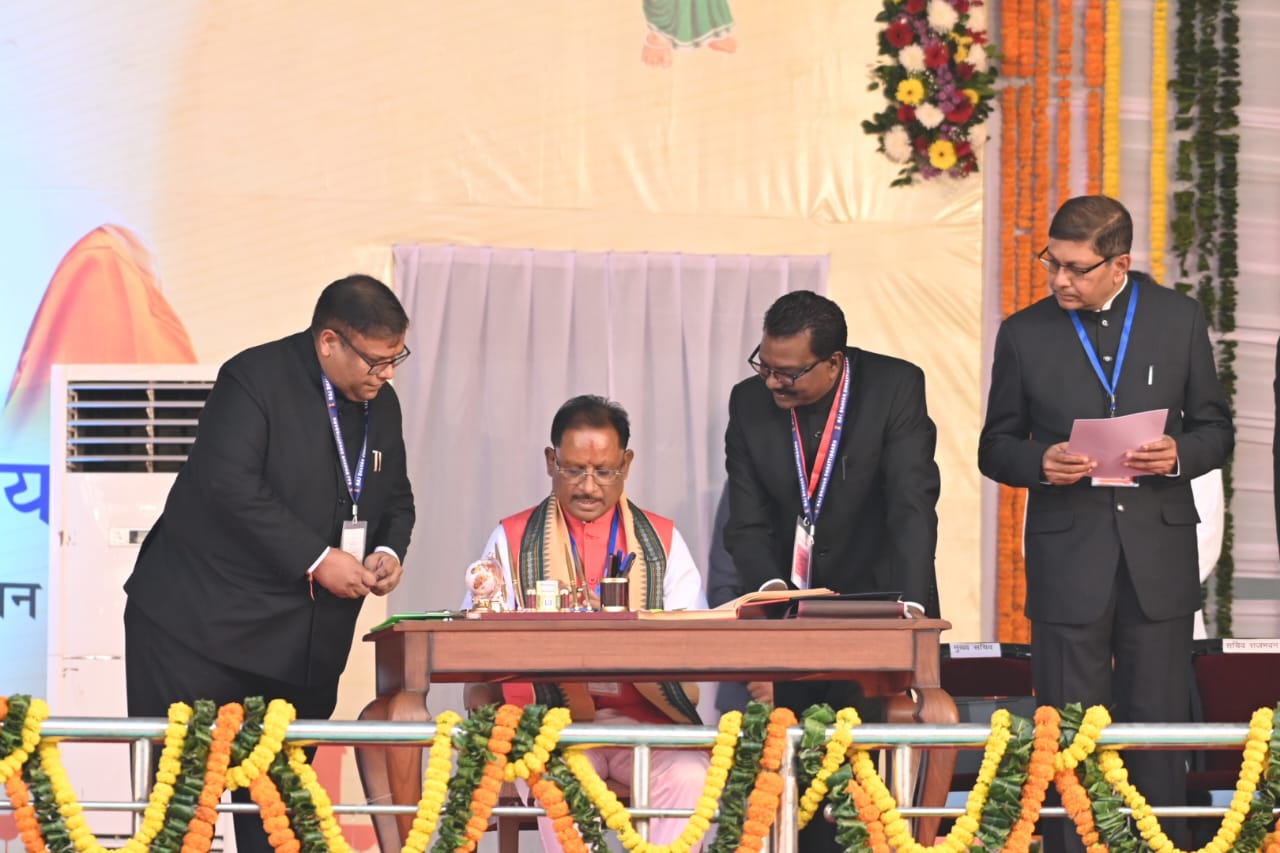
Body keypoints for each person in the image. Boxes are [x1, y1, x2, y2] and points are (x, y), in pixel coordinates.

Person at [124, 274, 416, 853]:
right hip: (199, 631)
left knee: (281, 823)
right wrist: (317, 558)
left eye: (396, 359)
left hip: (299, 649)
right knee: (185, 812)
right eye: (376, 361)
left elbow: (397, 497)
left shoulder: (381, 405)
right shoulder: (254, 379)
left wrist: (388, 551)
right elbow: (228, 486)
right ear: (329, 341)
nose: (386, 375)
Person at [978, 195, 1234, 853]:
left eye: (1076, 268)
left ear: (1119, 263)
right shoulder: (1024, 332)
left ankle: (1162, 845)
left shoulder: (1178, 318)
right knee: (1069, 733)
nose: (1059, 280)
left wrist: (1179, 453)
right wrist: (1041, 461)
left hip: (1159, 553)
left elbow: (1216, 430)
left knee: (1157, 730)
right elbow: (995, 446)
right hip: (1069, 556)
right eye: (1052, 263)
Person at [723, 289, 941, 851]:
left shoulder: (894, 387)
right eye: (765, 365)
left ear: (834, 362)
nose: (772, 383)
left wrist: (911, 608)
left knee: (865, 778)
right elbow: (746, 520)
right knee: (795, 774)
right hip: (788, 616)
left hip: (876, 604)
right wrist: (773, 594)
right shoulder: (747, 403)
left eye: (788, 373)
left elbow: (911, 505)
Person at [462, 394, 709, 852]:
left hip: (648, 724)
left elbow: (695, 643)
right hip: (555, 728)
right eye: (574, 470)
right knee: (558, 778)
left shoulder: (663, 542)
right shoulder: (511, 539)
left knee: (691, 777)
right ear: (550, 461)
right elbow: (477, 640)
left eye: (604, 471)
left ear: (626, 464)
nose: (589, 487)